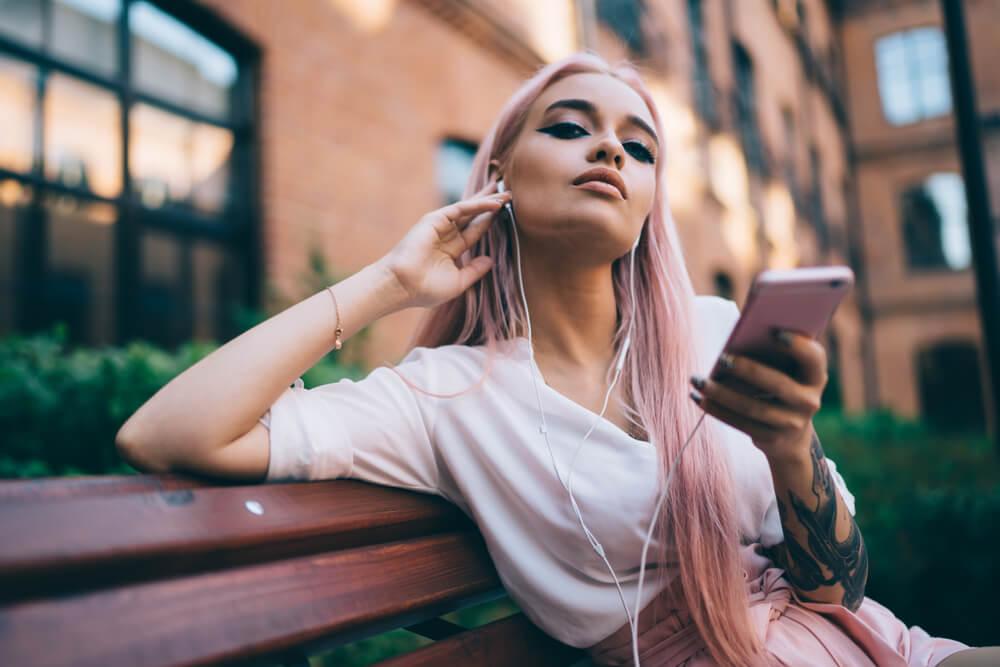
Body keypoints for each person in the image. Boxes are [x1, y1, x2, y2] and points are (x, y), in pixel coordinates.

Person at [116, 53, 996, 666]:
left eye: (639, 145)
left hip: (875, 643)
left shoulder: (713, 325)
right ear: (500, 172)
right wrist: (387, 282)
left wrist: (792, 442)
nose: (611, 148)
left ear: (651, 201)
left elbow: (841, 586)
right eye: (571, 127)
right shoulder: (445, 397)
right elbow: (165, 432)